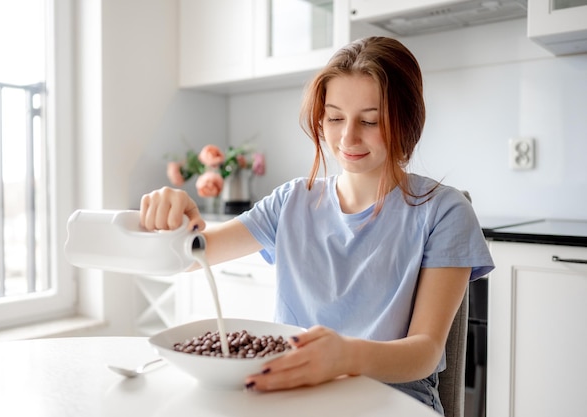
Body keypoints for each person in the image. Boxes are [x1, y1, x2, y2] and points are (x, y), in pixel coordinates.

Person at [139, 36, 494, 414]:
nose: (347, 137)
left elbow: (425, 351)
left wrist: (346, 356)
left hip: (394, 401)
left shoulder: (444, 211)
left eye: (370, 121)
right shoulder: (291, 201)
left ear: (406, 121)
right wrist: (174, 216)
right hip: (291, 394)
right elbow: (192, 256)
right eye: (335, 118)